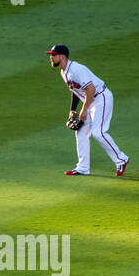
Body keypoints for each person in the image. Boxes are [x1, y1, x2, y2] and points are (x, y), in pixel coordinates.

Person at [47, 44, 128, 177]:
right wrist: (73, 110)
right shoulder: (64, 72)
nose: (51, 57)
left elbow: (91, 89)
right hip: (90, 101)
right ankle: (83, 168)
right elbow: (75, 90)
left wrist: (84, 110)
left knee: (98, 133)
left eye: (53, 55)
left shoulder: (76, 69)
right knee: (81, 132)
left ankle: (121, 159)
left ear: (62, 56)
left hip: (101, 98)